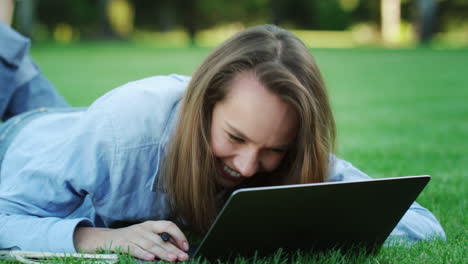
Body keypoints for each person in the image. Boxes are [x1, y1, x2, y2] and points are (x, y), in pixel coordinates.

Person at [0, 21, 445, 263]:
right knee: (6, 55)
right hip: (21, 138)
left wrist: (301, 221)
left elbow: (423, 224)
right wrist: (98, 239)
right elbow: (8, 216)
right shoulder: (122, 132)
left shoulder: (287, 144)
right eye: (235, 137)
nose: (250, 167)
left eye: (274, 150)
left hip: (70, 126)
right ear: (204, 105)